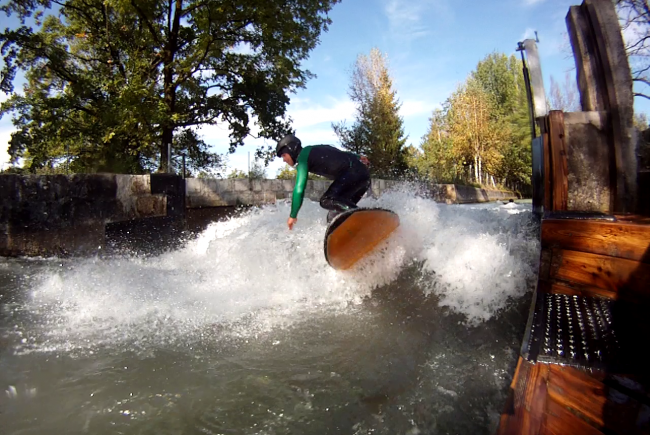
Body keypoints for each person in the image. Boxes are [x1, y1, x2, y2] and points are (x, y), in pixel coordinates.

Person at [276, 134, 371, 230]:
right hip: (363, 176)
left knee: (326, 200)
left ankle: (365, 220)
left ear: (292, 150)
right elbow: (335, 151)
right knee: (334, 215)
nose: (284, 160)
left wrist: (293, 215)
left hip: (354, 174)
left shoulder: (303, 157)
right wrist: (357, 156)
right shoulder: (315, 149)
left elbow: (299, 189)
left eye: (284, 155)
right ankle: (352, 234)